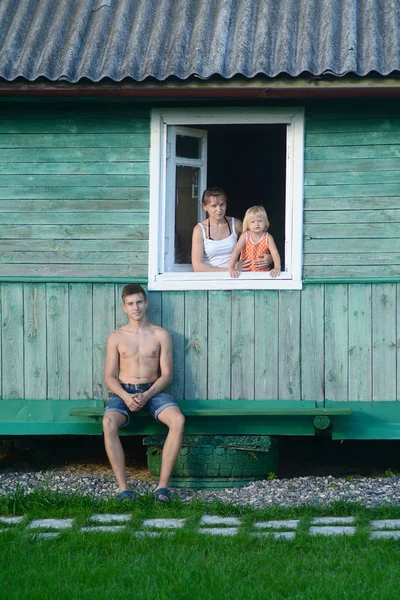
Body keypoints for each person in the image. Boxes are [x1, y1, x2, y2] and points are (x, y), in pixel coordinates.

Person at [102, 283, 185, 502]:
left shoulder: (161, 335)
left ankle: (162, 488)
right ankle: (124, 490)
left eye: (139, 302)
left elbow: (167, 375)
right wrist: (126, 396)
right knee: (108, 423)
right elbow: (110, 376)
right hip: (125, 391)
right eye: (130, 304)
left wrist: (147, 395)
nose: (135, 307)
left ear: (146, 303)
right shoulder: (116, 336)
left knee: (177, 420)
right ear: (124, 308)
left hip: (153, 390)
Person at [191, 186, 272, 272]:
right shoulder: (200, 230)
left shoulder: (236, 224)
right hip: (212, 279)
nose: (219, 209)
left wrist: (269, 258)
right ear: (205, 207)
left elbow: (258, 240)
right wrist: (231, 270)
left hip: (236, 278)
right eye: (214, 206)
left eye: (222, 205)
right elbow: (197, 266)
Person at [228, 205, 281, 278]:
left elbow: (275, 253)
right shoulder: (245, 236)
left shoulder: (268, 237)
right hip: (244, 274)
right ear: (248, 224)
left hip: (263, 274)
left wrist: (277, 267)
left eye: (260, 221)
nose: (256, 224)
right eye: (253, 222)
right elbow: (236, 251)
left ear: (265, 222)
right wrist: (231, 267)